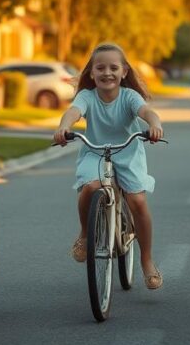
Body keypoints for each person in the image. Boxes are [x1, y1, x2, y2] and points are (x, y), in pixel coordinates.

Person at [53, 43, 166, 290]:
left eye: (114, 67)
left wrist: (155, 125)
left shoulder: (128, 96)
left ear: (124, 71)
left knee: (137, 201)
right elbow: (73, 112)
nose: (107, 73)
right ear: (91, 73)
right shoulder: (87, 96)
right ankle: (85, 234)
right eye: (100, 68)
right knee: (90, 187)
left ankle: (146, 260)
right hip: (95, 152)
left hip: (127, 152)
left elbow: (147, 112)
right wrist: (64, 127)